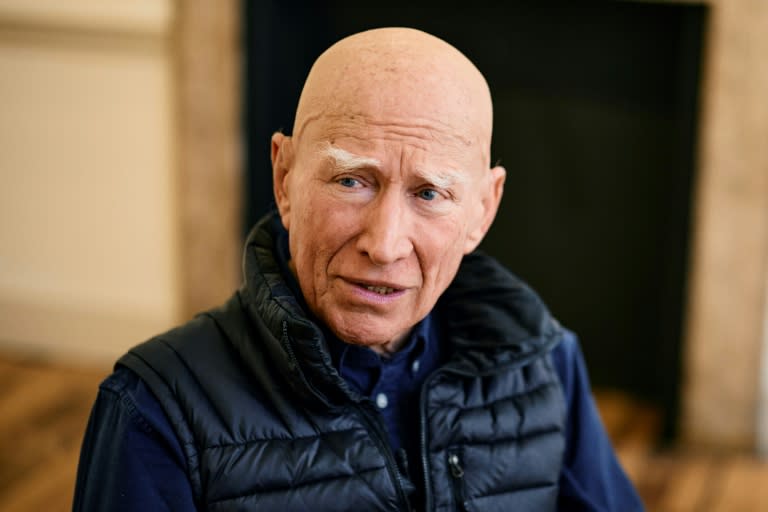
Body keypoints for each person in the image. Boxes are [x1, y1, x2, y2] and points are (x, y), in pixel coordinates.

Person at [74, 27, 643, 511]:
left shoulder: (544, 362)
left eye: (430, 193)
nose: (385, 243)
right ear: (284, 179)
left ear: (482, 211)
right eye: (351, 180)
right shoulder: (156, 407)